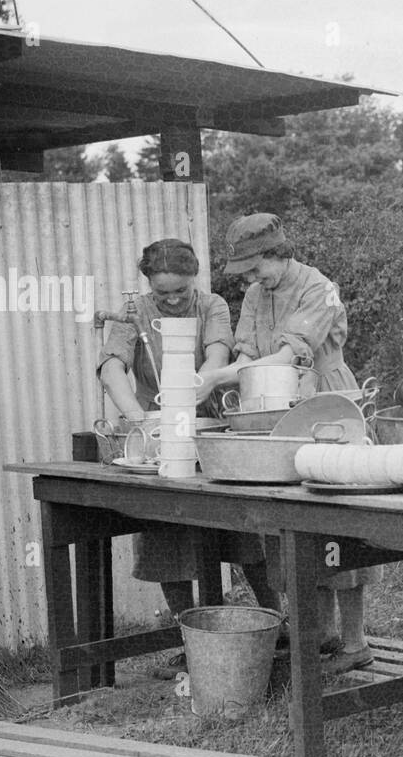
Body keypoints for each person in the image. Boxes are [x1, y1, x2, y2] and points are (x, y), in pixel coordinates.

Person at [199, 213, 379, 675]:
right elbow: (248, 351)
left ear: (279, 253)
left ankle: (356, 641)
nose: (252, 279)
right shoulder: (257, 293)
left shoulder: (319, 288)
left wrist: (217, 377)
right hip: (272, 403)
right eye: (246, 272)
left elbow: (288, 355)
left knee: (338, 519)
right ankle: (319, 634)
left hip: (326, 402)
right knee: (292, 518)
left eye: (256, 267)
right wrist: (231, 374)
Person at [97, 238, 277, 639]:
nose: (174, 300)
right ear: (148, 286)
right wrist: (139, 419)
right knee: (166, 537)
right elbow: (112, 369)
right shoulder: (135, 312)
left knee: (244, 535)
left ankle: (276, 628)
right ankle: (193, 638)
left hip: (211, 430)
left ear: (193, 280)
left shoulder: (212, 305)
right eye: (164, 293)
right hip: (160, 438)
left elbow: (217, 355)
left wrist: (199, 384)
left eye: (181, 290)